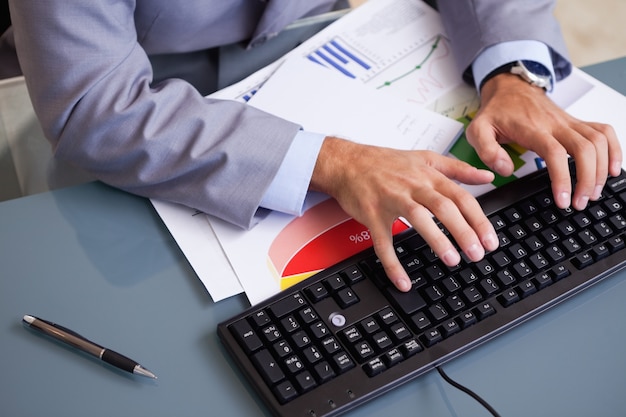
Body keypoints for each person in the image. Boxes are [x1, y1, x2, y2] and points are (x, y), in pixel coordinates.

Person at [0, 0, 621, 293]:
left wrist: (513, 74)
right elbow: (94, 108)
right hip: (122, 81)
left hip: (317, 44)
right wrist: (335, 161)